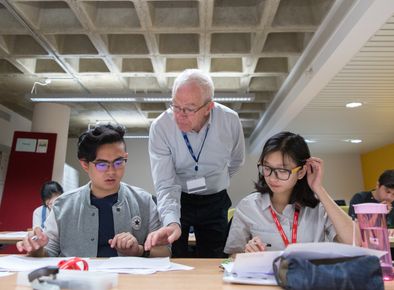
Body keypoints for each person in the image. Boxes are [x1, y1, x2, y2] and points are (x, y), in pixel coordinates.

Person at [17, 124, 170, 258]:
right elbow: (48, 252)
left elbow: (165, 251)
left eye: (119, 162)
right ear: (85, 164)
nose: (112, 171)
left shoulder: (143, 201)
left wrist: (139, 250)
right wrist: (36, 249)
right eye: (102, 165)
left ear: (125, 157)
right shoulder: (63, 205)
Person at [146, 69, 245, 258]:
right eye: (175, 105)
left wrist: (216, 181)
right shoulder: (161, 127)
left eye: (190, 109)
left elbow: (236, 161)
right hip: (179, 197)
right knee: (174, 255)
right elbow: (165, 183)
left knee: (215, 258)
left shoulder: (229, 121)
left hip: (215, 199)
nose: (180, 115)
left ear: (209, 107)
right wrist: (171, 221)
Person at [224, 131, 359, 255]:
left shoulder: (320, 209)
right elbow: (232, 256)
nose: (272, 177)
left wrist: (318, 189)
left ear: (300, 172)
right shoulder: (248, 206)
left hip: (309, 279)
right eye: (267, 168)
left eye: (282, 170)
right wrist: (248, 254)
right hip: (264, 280)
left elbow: (356, 243)